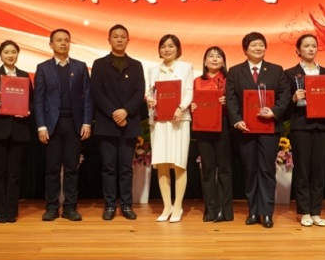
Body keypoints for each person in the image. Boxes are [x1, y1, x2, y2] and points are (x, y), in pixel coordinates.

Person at [226, 32, 290, 229]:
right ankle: (253, 211)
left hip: (269, 128)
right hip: (245, 128)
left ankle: (267, 212)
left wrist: (274, 111)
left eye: (261, 45)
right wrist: (236, 120)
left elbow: (285, 95)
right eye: (253, 45)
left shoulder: (277, 70)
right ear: (245, 49)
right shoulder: (235, 71)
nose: (258, 48)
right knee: (250, 170)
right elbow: (231, 98)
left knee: (266, 169)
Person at [34, 29, 93, 221]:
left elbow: (87, 97)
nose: (63, 43)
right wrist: (41, 126)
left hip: (74, 124)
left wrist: (87, 122)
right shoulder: (43, 68)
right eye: (58, 40)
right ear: (51, 44)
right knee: (52, 168)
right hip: (52, 125)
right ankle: (51, 207)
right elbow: (38, 99)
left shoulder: (80, 67)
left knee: (71, 168)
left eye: (66, 40)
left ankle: (70, 207)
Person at [285, 34, 325, 227]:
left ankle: (316, 212)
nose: (310, 49)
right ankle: (304, 211)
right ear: (298, 50)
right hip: (301, 125)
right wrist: (293, 98)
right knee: (303, 169)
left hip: (323, 126)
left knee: (319, 170)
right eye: (306, 46)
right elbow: (283, 103)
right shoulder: (290, 73)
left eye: (314, 46)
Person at [91, 25, 145, 221]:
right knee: (109, 167)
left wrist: (125, 111)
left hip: (129, 123)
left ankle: (127, 205)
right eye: (115, 36)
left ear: (128, 40)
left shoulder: (136, 65)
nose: (119, 40)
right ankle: (110, 205)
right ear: (109, 40)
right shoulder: (99, 64)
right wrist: (114, 112)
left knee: (125, 168)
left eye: (123, 37)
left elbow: (140, 92)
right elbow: (96, 92)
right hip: (107, 123)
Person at [145, 34, 194, 223]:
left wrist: (181, 107)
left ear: (178, 49)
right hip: (159, 121)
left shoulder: (186, 67)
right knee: (162, 163)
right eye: (163, 46)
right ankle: (167, 206)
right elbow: (149, 93)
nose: (167, 49)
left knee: (179, 163)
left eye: (171, 46)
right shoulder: (152, 70)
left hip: (179, 121)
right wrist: (149, 100)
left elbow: (189, 92)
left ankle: (178, 206)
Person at [0, 40, 33, 223]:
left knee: (14, 173)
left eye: (13, 52)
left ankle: (11, 211)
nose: (10, 55)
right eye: (6, 52)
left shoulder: (24, 76)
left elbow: (31, 100)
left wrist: (27, 110)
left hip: (18, 129)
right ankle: (0, 211)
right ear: (1, 55)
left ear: (17, 54)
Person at [190, 46, 233, 223]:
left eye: (219, 56)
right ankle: (210, 208)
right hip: (203, 127)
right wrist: (192, 107)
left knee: (224, 168)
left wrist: (228, 101)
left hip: (224, 125)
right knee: (207, 169)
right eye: (211, 56)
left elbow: (238, 103)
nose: (215, 59)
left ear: (223, 61)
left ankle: (224, 209)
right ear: (205, 61)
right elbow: (191, 101)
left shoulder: (230, 80)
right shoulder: (197, 81)